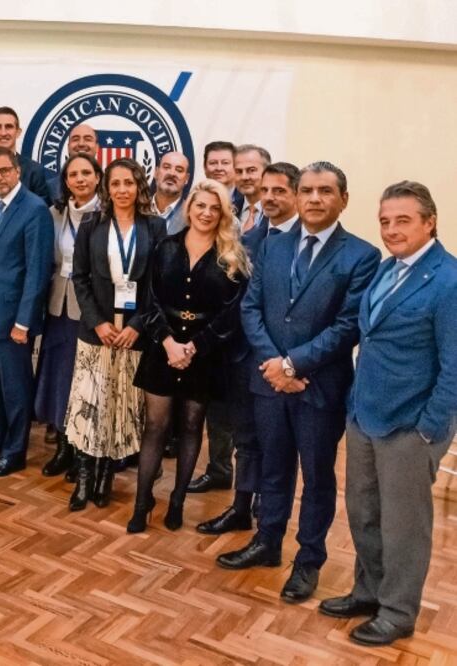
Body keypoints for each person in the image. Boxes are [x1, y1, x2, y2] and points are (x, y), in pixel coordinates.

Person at [215, 162, 380, 604]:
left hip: (318, 388)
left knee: (317, 479)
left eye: (324, 191)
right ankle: (268, 542)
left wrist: (293, 366)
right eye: (306, 190)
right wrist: (274, 364)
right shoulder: (272, 245)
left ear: (343, 199)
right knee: (273, 467)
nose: (313, 199)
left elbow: (347, 326)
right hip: (268, 381)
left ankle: (308, 561)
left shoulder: (361, 256)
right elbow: (251, 308)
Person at [323, 180, 457, 647]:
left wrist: (428, 429)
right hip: (365, 416)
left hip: (409, 427)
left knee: (404, 528)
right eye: (385, 221)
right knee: (363, 514)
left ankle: (398, 612)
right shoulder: (387, 268)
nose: (392, 230)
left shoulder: (448, 280)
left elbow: (454, 366)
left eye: (403, 220)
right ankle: (368, 591)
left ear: (429, 222)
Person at [126, 181, 250, 533]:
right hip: (161, 348)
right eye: (201, 206)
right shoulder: (165, 247)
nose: (207, 213)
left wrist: (194, 347)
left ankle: (177, 500)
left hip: (205, 353)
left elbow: (231, 314)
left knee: (192, 426)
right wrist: (168, 343)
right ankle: (141, 503)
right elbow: (148, 301)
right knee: (155, 427)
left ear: (223, 213)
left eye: (214, 208)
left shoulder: (233, 256)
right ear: (189, 208)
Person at [196, 162, 303, 535]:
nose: (271, 197)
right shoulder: (251, 239)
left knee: (277, 450)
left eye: (280, 190)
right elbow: (239, 302)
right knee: (246, 440)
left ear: (296, 194)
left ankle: (269, 523)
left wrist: (282, 360)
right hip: (244, 359)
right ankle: (241, 508)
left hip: (286, 366)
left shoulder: (308, 242)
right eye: (266, 190)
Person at [63, 158, 165, 510]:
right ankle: (84, 478)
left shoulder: (156, 227)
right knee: (91, 406)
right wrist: (98, 322)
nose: (122, 189)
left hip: (135, 335)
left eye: (129, 183)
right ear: (106, 188)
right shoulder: (92, 223)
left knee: (119, 408)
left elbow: (158, 285)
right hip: (98, 332)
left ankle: (106, 475)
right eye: (115, 183)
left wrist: (137, 325)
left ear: (139, 186)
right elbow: (80, 277)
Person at [0, 147, 55, 477]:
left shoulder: (34, 209)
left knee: (16, 387)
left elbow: (37, 270)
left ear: (17, 171)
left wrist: (24, 321)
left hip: (14, 320)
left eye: (5, 170)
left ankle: (15, 451)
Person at [36, 154, 102, 479]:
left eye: (86, 173)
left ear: (97, 177)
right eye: (73, 174)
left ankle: (82, 452)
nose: (80, 179)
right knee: (60, 378)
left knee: (86, 383)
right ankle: (63, 445)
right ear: (65, 181)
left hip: (91, 311)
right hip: (58, 307)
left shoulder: (107, 215)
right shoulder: (55, 213)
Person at [53, 123, 99, 203]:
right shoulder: (51, 187)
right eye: (75, 139)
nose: (81, 144)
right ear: (68, 147)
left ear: (97, 147)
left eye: (88, 139)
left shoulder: (110, 184)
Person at [149, 152, 190, 234]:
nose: (172, 173)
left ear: (186, 178)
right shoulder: (136, 209)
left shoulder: (191, 215)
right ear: (156, 172)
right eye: (166, 167)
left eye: (179, 170)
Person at [233, 144, 271, 231]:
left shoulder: (280, 211)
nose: (244, 177)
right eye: (238, 171)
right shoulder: (228, 210)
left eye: (251, 170)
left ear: (267, 172)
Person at [202, 141, 238, 211]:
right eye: (213, 163)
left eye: (225, 163)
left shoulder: (247, 200)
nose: (219, 168)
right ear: (205, 167)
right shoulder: (195, 199)